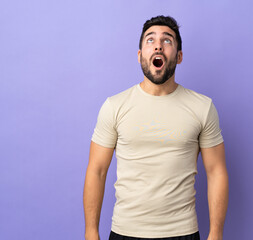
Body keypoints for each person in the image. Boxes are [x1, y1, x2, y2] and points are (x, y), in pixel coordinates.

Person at [83, 15, 229, 240]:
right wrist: (91, 232)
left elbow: (216, 171)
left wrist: (216, 234)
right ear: (140, 55)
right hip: (125, 232)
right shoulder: (114, 106)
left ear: (179, 56)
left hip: (183, 232)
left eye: (167, 40)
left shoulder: (202, 107)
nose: (159, 44)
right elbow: (97, 170)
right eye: (150, 40)